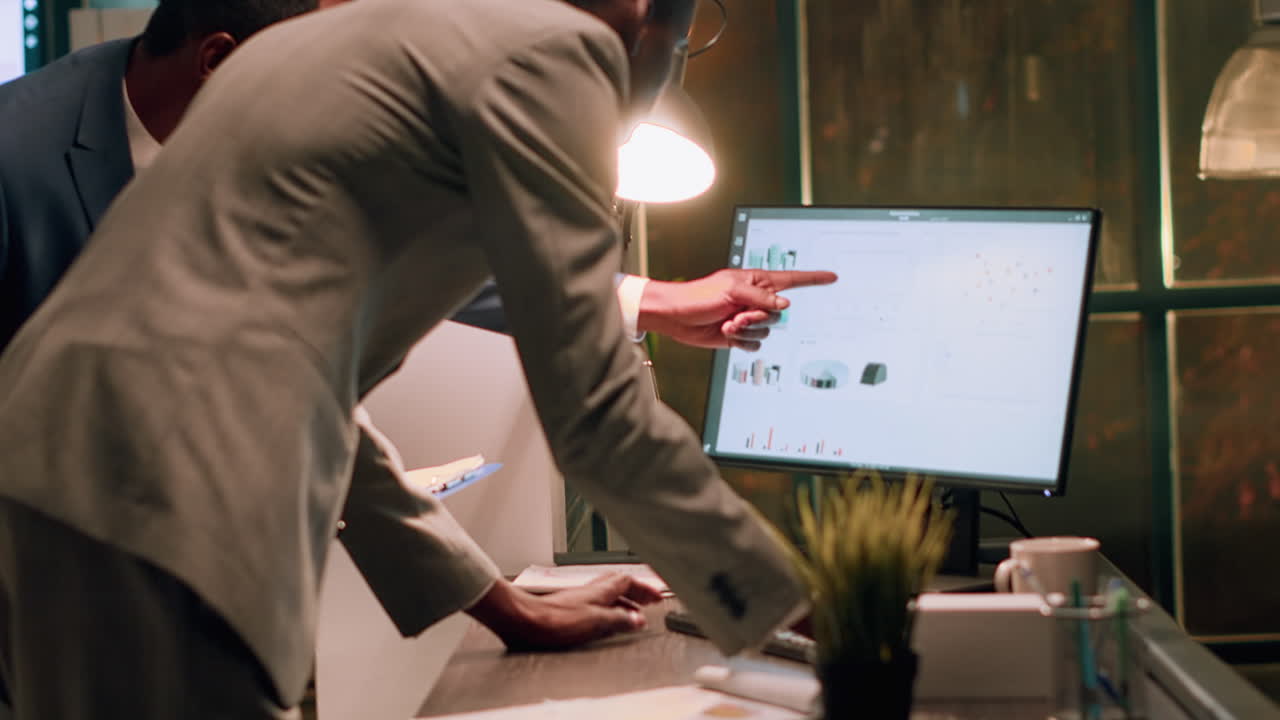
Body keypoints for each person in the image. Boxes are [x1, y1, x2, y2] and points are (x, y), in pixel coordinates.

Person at [0, 0, 828, 717]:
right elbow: (599, 421)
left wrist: (506, 610)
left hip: (47, 475)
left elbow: (314, 399)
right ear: (653, 33)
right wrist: (807, 617)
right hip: (166, 490)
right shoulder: (557, 54)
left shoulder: (332, 42)